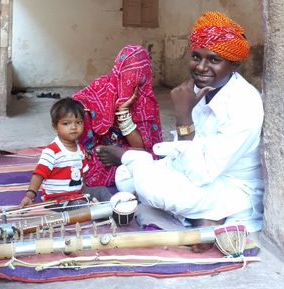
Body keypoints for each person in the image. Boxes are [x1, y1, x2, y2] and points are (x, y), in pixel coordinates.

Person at [113, 11, 264, 240]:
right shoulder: (200, 88)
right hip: (196, 173)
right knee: (125, 175)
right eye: (196, 57)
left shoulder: (245, 104)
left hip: (231, 187)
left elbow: (201, 173)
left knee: (155, 189)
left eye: (214, 60)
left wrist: (184, 116)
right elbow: (185, 155)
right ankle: (201, 218)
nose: (201, 67)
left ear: (234, 65)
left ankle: (207, 217)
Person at [71, 44, 162, 187]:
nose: (129, 82)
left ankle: (120, 158)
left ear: (145, 77)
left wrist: (122, 112)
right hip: (99, 146)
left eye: (137, 78)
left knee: (152, 158)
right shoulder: (102, 86)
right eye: (126, 75)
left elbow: (141, 147)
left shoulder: (145, 100)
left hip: (127, 148)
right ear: (118, 70)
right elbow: (74, 108)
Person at [19, 97, 89, 207]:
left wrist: (83, 191)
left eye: (79, 122)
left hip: (76, 195)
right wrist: (30, 195)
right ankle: (94, 210)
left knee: (101, 192)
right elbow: (39, 175)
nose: (74, 127)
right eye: (66, 123)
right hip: (56, 199)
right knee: (80, 205)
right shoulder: (51, 151)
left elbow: (83, 174)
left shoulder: (80, 149)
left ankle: (114, 209)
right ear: (55, 127)